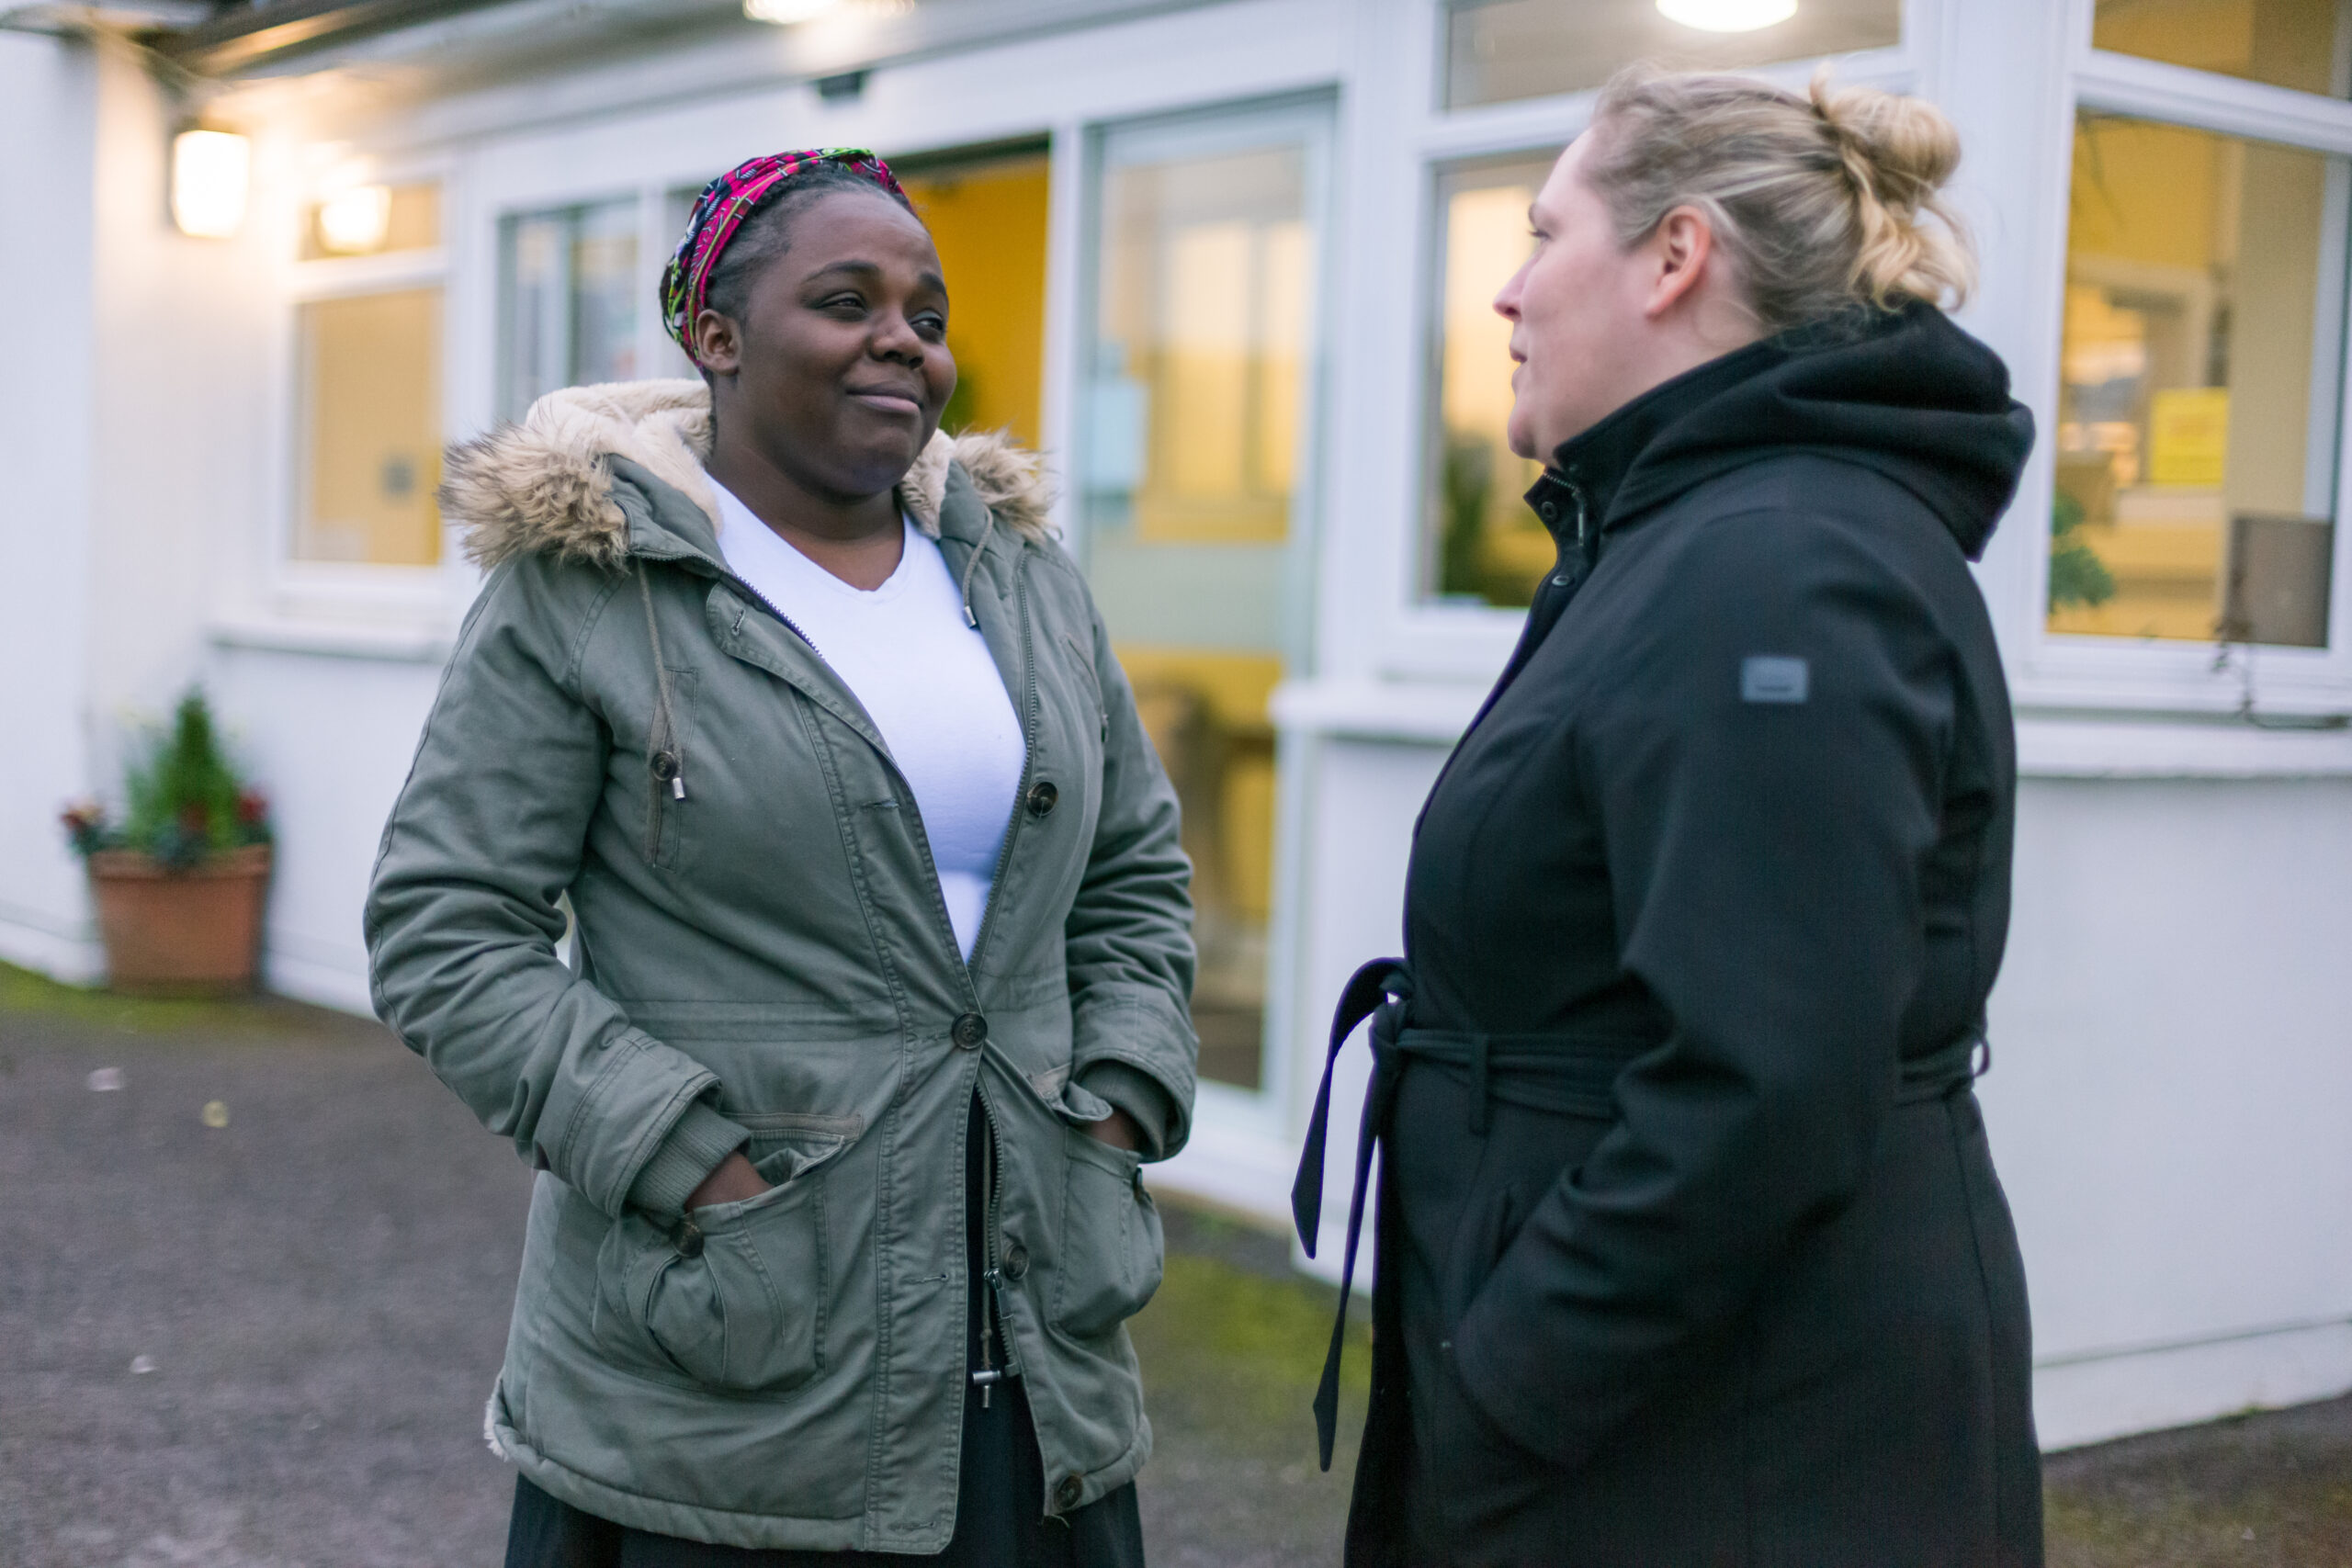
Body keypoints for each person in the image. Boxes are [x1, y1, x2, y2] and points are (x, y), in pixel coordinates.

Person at [366, 148, 1195, 1567]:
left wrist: (1113, 1105)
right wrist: (692, 1160)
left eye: (926, 316)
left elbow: (1131, 876)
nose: (902, 341)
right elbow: (447, 926)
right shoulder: (593, 587)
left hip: (1033, 1339)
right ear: (717, 337)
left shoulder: (1021, 578)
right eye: (848, 300)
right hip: (730, 1366)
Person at [1294, 69, 2041, 1566]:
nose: (1506, 293)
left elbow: (1767, 1086)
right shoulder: (1699, 531)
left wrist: (1505, 1385)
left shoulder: (1778, 562)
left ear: (1676, 255)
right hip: (1675, 1408)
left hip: (1721, 1442)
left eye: (1540, 232)